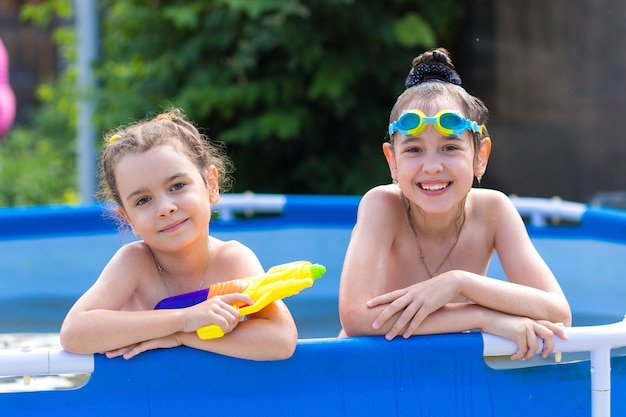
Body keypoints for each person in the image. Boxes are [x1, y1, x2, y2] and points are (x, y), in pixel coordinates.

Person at [338, 48, 572, 360]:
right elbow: (356, 318)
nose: (432, 166)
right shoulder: (383, 206)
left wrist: (459, 284)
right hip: (370, 374)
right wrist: (480, 316)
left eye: (449, 147)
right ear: (392, 161)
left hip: (450, 376)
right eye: (413, 150)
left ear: (480, 157)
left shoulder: (494, 211)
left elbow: (558, 314)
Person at [60, 109, 298, 360]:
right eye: (143, 200)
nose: (165, 208)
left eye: (177, 186)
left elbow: (281, 340)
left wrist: (180, 335)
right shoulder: (134, 263)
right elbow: (74, 333)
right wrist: (184, 318)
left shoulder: (232, 260)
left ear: (211, 185)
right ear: (128, 219)